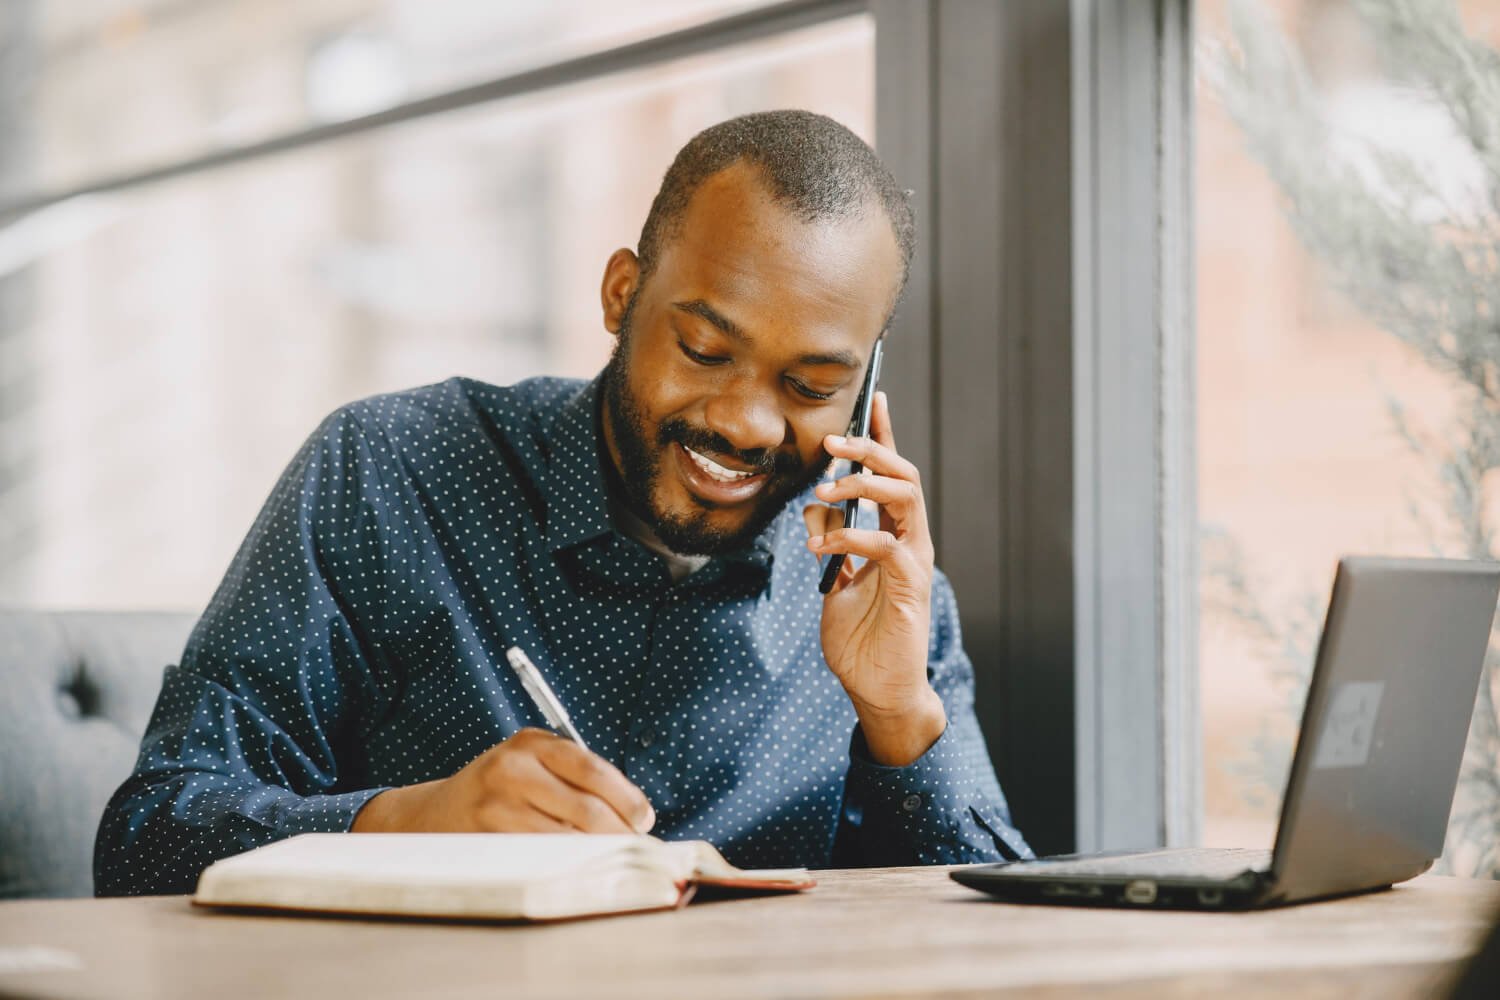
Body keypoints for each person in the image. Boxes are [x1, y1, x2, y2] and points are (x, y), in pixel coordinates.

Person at [94, 110, 1032, 895]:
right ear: (622, 293)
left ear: (867, 390)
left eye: (812, 383)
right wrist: (408, 826)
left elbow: (994, 948)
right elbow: (147, 842)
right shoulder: (386, 473)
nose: (748, 423)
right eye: (705, 351)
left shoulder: (881, 595)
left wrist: (902, 719)